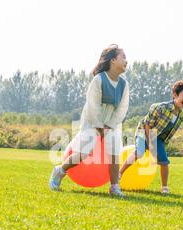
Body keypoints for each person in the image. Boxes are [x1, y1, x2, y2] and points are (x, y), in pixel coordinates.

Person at [49, 44, 129, 196]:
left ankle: (114, 187)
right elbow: (93, 105)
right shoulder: (99, 79)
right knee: (84, 153)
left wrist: (110, 125)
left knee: (114, 154)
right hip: (92, 121)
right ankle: (60, 170)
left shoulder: (125, 84)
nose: (126, 61)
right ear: (112, 60)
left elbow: (122, 108)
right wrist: (99, 125)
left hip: (111, 123)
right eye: (123, 57)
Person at [119, 80, 183, 194]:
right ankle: (119, 174)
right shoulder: (160, 107)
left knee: (164, 161)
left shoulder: (181, 116)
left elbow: (168, 133)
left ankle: (164, 187)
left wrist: (159, 147)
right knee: (139, 152)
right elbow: (147, 124)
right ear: (175, 94)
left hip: (158, 137)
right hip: (143, 132)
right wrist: (149, 141)